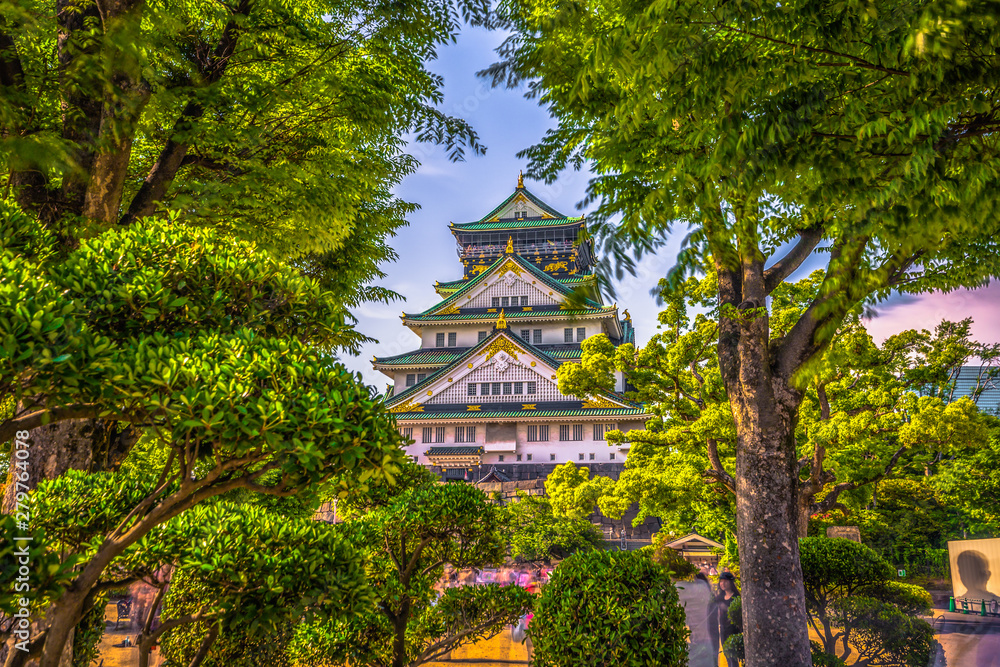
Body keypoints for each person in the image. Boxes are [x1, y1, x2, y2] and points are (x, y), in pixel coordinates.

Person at [716, 572, 740, 666]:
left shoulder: (736, 598)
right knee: (727, 655)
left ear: (731, 582)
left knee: (733, 657)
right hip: (723, 630)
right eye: (721, 581)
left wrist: (725, 609)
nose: (722, 583)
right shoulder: (720, 597)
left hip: (732, 631)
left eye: (725, 581)